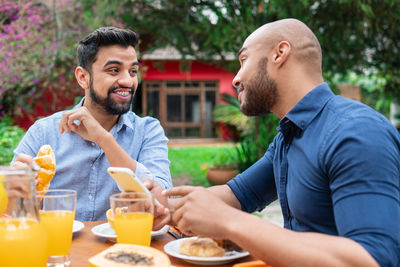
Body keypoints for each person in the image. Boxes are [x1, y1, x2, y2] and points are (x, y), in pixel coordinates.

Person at [164, 18, 400, 266]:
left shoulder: (355, 132)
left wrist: (229, 222)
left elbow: (374, 259)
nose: (235, 79)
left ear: (280, 53)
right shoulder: (290, 135)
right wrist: (163, 210)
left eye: (244, 60)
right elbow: (238, 194)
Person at [12, 27, 172, 224]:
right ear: (82, 77)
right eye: (114, 70)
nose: (127, 81)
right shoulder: (44, 132)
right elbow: (12, 211)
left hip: (125, 249)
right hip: (57, 248)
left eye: (133, 71)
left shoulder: (148, 131)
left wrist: (105, 140)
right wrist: (16, 190)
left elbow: (163, 205)